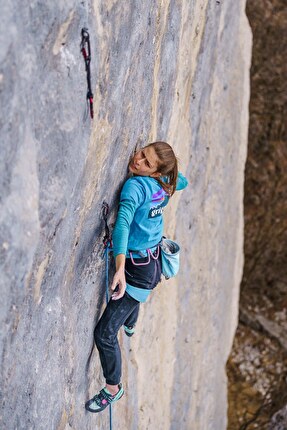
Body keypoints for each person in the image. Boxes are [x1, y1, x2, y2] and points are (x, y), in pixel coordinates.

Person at [85, 141, 188, 413]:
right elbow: (182, 181)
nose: (138, 161)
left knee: (105, 334)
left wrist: (119, 268)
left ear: (154, 172)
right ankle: (131, 322)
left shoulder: (135, 187)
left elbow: (122, 225)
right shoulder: (166, 187)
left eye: (147, 162)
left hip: (138, 272)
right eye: (142, 153)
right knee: (131, 304)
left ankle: (113, 389)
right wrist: (168, 171)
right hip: (150, 263)